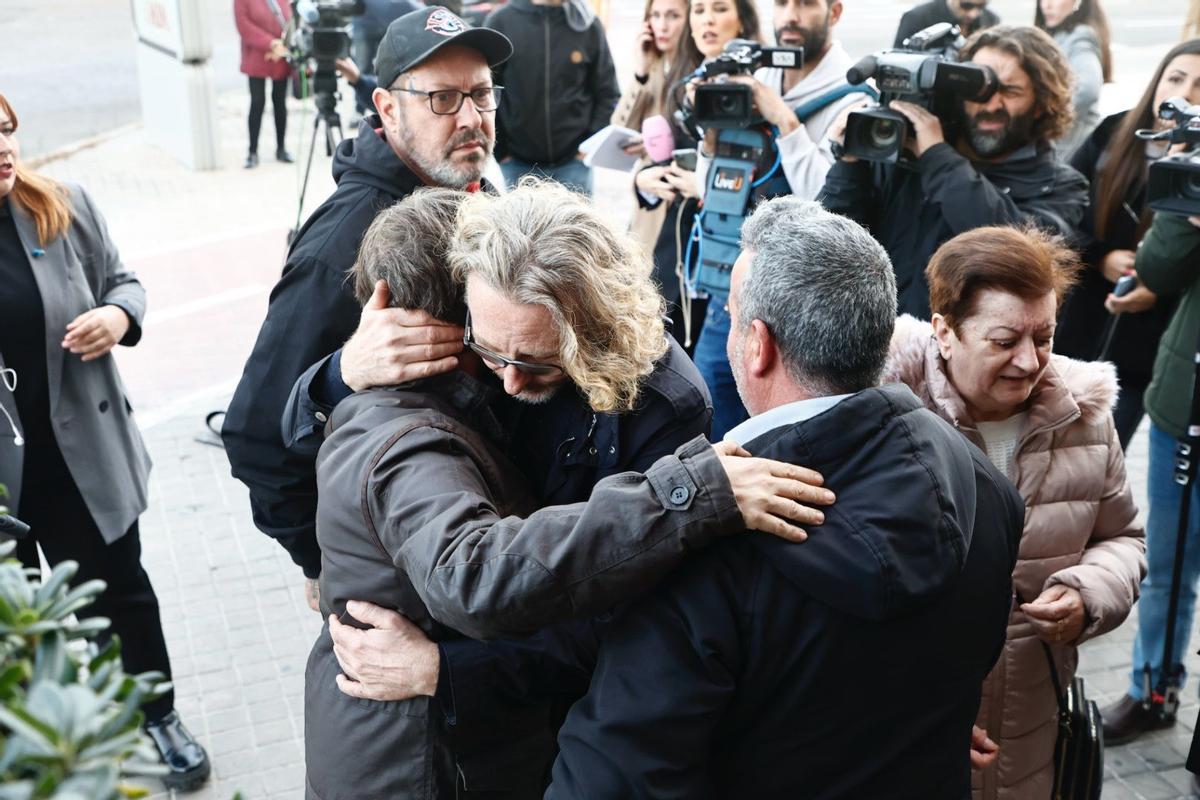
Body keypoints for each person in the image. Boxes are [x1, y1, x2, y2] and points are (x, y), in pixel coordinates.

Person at [305, 184, 829, 799]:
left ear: (595, 331)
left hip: (539, 719)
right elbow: (272, 448)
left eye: (539, 362)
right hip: (425, 739)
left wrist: (450, 673)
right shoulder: (420, 374)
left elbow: (623, 619)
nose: (507, 380)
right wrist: (336, 378)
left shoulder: (659, 403)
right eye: (487, 348)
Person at [538, 197, 1024, 798]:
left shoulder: (705, 543)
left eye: (732, 311)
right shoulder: (988, 487)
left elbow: (614, 779)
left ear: (757, 344)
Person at [222, 7, 512, 600]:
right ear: (386, 108)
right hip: (403, 567)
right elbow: (253, 432)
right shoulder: (341, 244)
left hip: (483, 527)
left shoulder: (470, 183)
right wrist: (321, 560)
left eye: (481, 95)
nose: (470, 119)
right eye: (442, 99)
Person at [885, 225, 1146, 799]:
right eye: (1004, 341)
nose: (1029, 362)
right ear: (944, 331)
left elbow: (1124, 538)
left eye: (1045, 338)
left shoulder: (1086, 416)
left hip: (1032, 728)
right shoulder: (882, 419)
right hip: (905, 738)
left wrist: (1089, 592)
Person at [0, 93, 210, 791]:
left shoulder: (59, 205)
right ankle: (49, 747)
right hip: (5, 473)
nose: (4, 148)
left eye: (7, 131)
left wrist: (119, 314)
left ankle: (159, 716)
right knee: (19, 625)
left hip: (76, 453)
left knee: (120, 594)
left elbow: (123, 279)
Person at [687, 0, 871, 439]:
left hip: (805, 303)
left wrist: (783, 119)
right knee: (707, 404)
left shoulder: (853, 97)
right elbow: (707, 185)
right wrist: (711, 140)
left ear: (835, 12)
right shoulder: (749, 76)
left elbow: (829, 205)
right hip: (730, 291)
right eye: (782, 3)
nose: (790, 16)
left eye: (806, 4)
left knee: (788, 425)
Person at [822, 25, 1089, 320]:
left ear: (1042, 103)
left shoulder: (1061, 186)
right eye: (978, 88)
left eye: (1011, 91)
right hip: (877, 348)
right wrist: (849, 166)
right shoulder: (903, 156)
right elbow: (829, 248)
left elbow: (1018, 256)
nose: (990, 104)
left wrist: (938, 159)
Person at [1054, 41, 1200, 448]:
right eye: (1175, 78)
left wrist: (1156, 289)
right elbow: (1059, 210)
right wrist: (1101, 258)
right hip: (1074, 334)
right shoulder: (1113, 134)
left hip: (1141, 355)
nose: (1184, 93)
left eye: (1199, 85)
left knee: (1097, 462)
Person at [1101, 211, 1200, 745]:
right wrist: (1185, 216)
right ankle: (1152, 693)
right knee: (1165, 566)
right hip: (1183, 403)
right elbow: (1158, 269)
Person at [633, 0, 762, 353]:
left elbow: (771, 184)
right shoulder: (685, 77)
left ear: (742, 20)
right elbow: (656, 151)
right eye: (699, 10)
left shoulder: (763, 86)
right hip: (675, 248)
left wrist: (705, 187)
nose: (707, 20)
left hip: (729, 256)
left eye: (719, 9)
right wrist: (643, 181)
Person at [485, 0, 621, 195]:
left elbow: (608, 92)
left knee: (576, 226)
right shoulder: (501, 22)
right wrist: (501, 151)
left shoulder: (588, 24)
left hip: (574, 165)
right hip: (518, 165)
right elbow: (486, 90)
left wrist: (589, 144)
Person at [611, 0, 688, 253]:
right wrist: (640, 73)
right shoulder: (652, 68)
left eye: (673, 16)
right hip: (647, 201)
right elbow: (621, 129)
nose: (662, 26)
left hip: (680, 203)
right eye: (655, 15)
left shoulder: (698, 72)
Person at [1035, 0, 1112, 156]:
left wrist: (1048, 118)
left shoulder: (1080, 36)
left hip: (1072, 148)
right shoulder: (1057, 34)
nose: (1046, 5)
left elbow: (1087, 90)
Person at [234, 0, 293, 168]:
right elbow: (244, 25)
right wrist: (270, 43)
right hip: (256, 56)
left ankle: (281, 148)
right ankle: (252, 151)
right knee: (257, 102)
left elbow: (290, 19)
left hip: (279, 56)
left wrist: (282, 45)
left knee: (280, 102)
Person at [894, 0, 999, 48]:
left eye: (981, 6)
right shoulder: (916, 17)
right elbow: (897, 59)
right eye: (966, 5)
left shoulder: (991, 19)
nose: (973, 14)